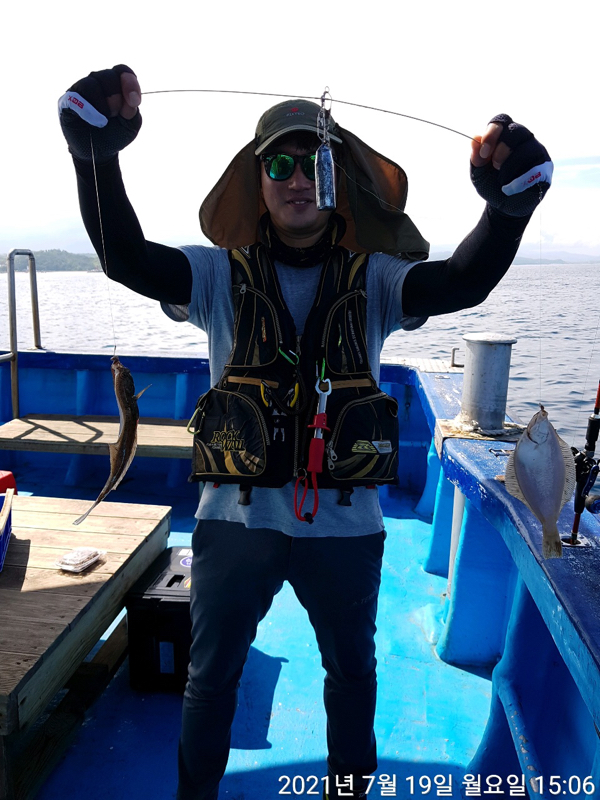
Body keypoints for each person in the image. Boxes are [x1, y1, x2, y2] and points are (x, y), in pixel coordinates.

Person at [58, 65, 552, 800]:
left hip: (346, 530)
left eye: (312, 163)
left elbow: (460, 282)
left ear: (336, 180)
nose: (295, 180)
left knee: (351, 675)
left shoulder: (379, 280)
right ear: (257, 182)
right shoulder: (214, 277)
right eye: (277, 165)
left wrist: (506, 213)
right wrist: (94, 158)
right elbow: (125, 257)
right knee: (210, 679)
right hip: (234, 523)